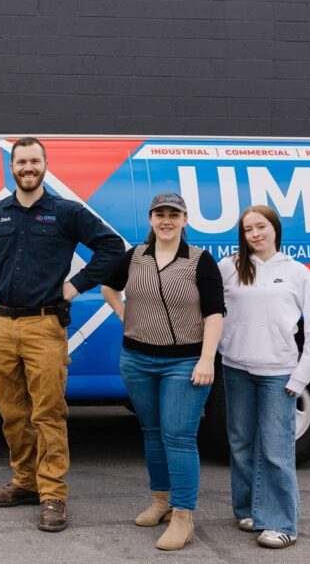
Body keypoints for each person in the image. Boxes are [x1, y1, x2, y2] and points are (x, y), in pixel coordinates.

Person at [0, 136, 124, 533]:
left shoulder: (64, 211)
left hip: (44, 326)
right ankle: (25, 481)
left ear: (45, 165)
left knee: (47, 412)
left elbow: (111, 247)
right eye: (21, 162)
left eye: (34, 161)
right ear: (11, 168)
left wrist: (75, 286)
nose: (27, 168)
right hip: (2, 324)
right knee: (13, 411)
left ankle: (53, 495)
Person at [101, 192, 224, 551]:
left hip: (184, 362)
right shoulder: (136, 256)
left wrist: (206, 359)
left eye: (174, 214)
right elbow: (109, 286)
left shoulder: (200, 260)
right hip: (137, 359)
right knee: (152, 432)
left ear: (185, 220)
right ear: (151, 219)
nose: (166, 220)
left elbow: (215, 313)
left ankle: (183, 516)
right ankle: (161, 501)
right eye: (160, 214)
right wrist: (123, 313)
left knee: (179, 436)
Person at [217, 205, 310, 549]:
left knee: (277, 448)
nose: (255, 234)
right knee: (240, 442)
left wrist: (300, 376)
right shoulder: (229, 267)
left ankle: (282, 523)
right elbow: (211, 310)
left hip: (278, 372)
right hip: (236, 368)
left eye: (261, 227)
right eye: (248, 229)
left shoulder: (296, 272)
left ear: (275, 228)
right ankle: (250, 510)